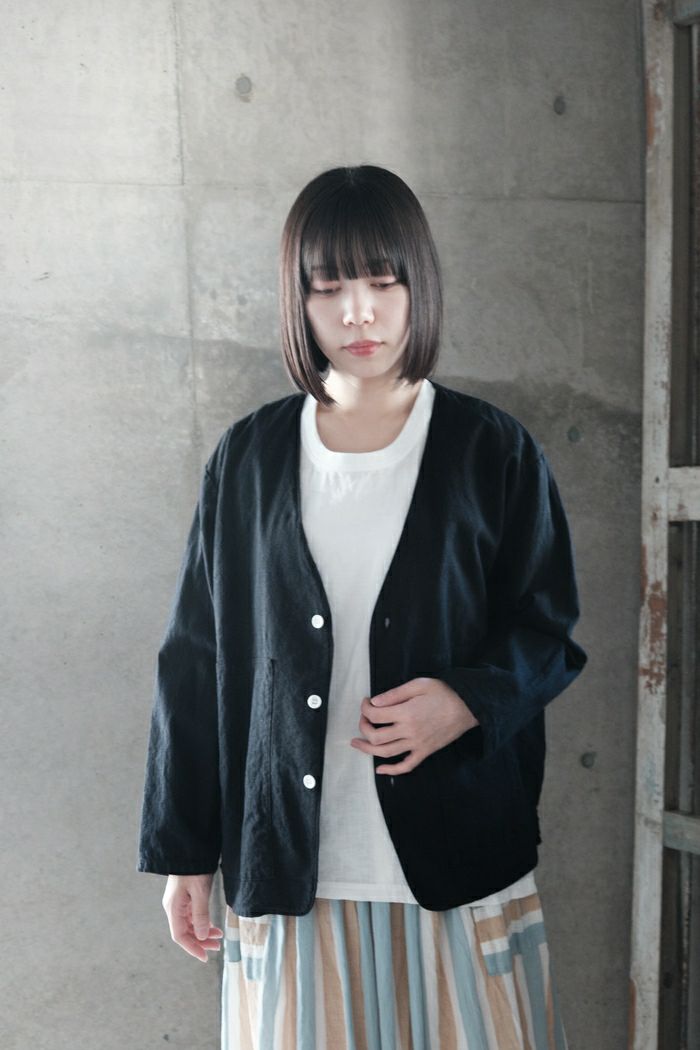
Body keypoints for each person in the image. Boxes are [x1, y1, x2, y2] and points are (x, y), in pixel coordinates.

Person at [137, 164, 588, 1050]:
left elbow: (548, 632)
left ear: (420, 285)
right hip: (291, 861)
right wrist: (184, 851)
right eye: (328, 287)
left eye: (384, 282)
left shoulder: (490, 451)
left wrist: (465, 700)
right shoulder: (249, 459)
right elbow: (195, 659)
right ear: (297, 300)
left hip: (456, 858)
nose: (358, 313)